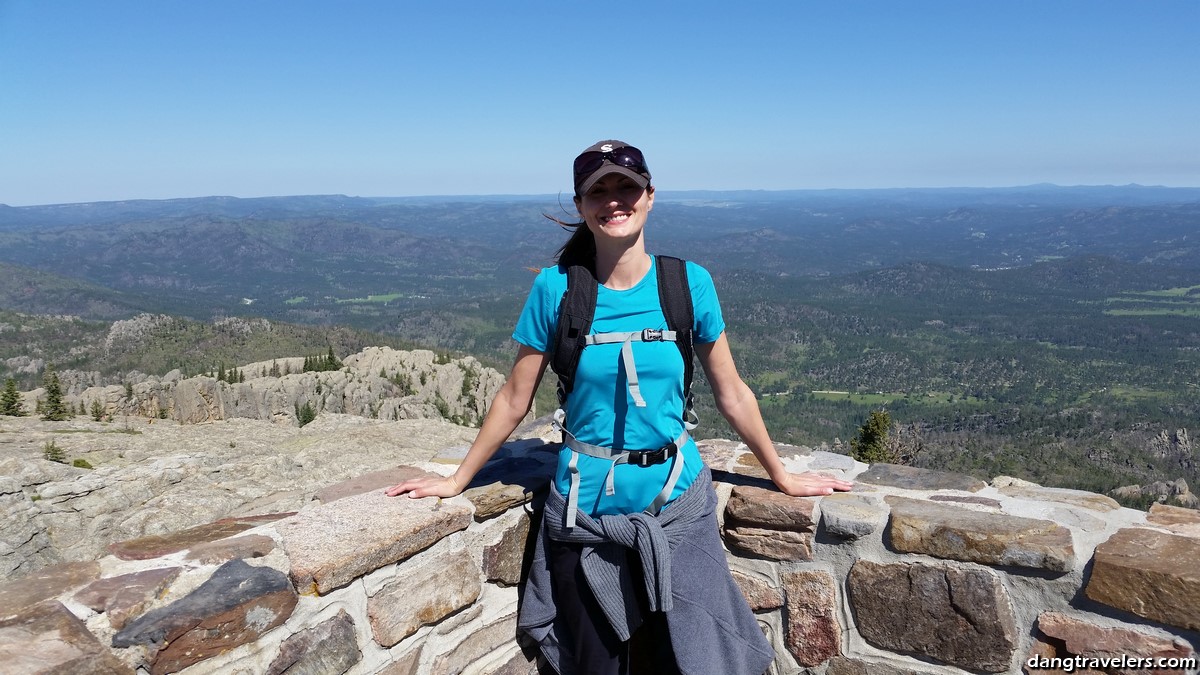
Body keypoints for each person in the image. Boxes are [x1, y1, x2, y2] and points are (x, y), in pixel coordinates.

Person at [386, 140, 853, 674]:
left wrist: (782, 476)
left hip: (679, 507)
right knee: (598, 666)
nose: (614, 200)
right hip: (587, 516)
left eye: (626, 187)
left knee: (693, 658)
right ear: (582, 207)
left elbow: (732, 392)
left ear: (650, 196)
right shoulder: (556, 290)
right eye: (598, 191)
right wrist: (457, 479)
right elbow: (515, 398)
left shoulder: (686, 283)